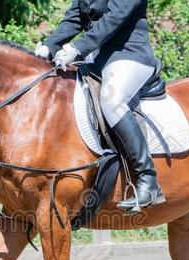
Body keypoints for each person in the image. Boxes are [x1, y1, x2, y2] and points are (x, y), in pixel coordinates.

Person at [35, 0, 165, 210]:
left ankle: (148, 180)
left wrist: (78, 47)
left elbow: (115, 17)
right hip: (95, 59)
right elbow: (75, 17)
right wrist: (50, 45)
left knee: (112, 100)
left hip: (129, 55)